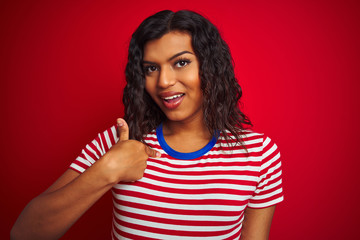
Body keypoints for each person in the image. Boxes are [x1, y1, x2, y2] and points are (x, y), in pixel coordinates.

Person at [11, 10, 283, 240]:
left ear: (210, 67)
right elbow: (23, 233)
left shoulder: (259, 154)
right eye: (151, 68)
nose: (163, 81)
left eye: (181, 62)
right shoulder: (118, 141)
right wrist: (109, 169)